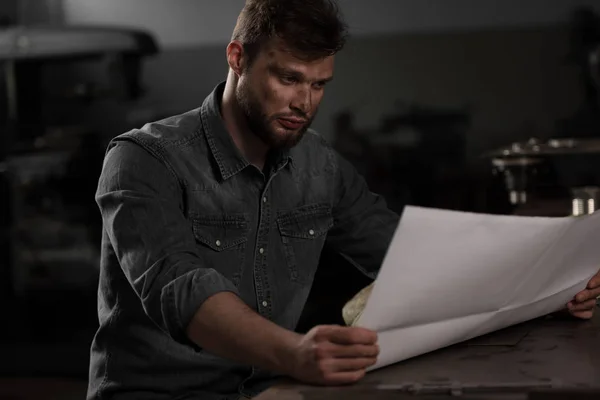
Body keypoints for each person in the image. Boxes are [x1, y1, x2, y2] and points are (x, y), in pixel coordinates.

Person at [87, 0, 600, 399]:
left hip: (276, 390)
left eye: (319, 85)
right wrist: (295, 353)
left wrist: (550, 293)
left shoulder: (319, 165)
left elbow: (418, 258)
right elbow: (182, 290)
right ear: (237, 57)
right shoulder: (143, 159)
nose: (304, 103)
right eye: (288, 78)